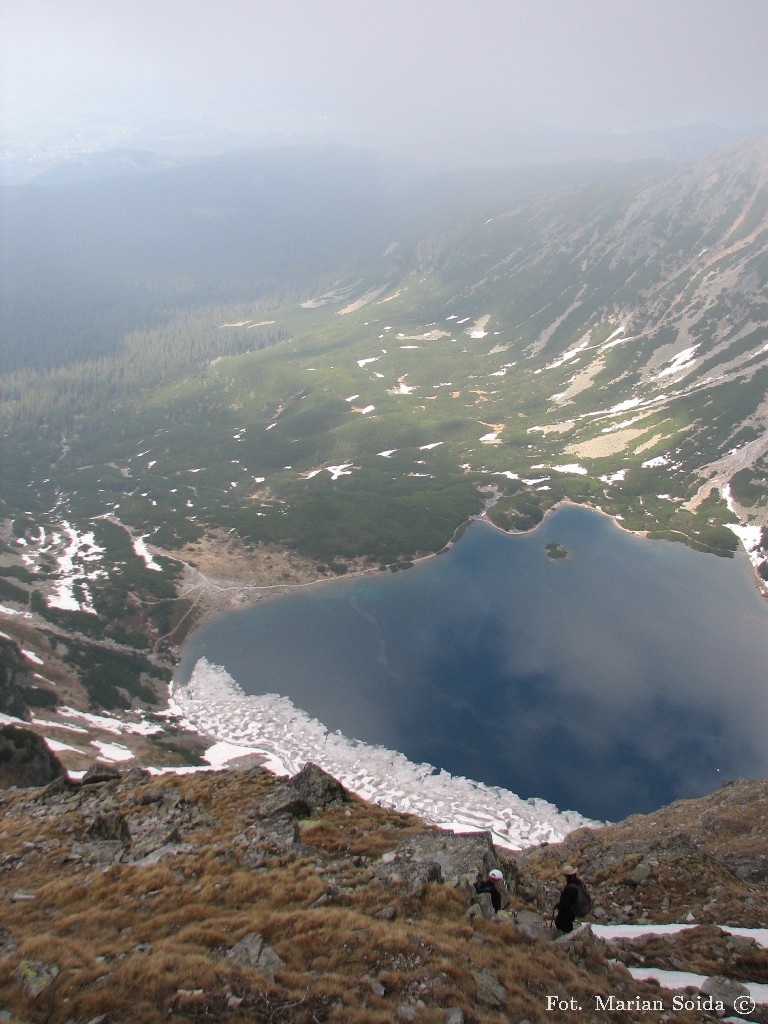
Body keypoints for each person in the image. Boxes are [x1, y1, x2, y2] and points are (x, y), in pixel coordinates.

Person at [553, 864, 587, 934]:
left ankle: (566, 940)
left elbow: (565, 903)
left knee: (561, 923)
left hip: (567, 912)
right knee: (568, 923)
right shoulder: (578, 883)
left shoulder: (570, 888)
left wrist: (557, 905)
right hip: (574, 910)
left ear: (567, 876)